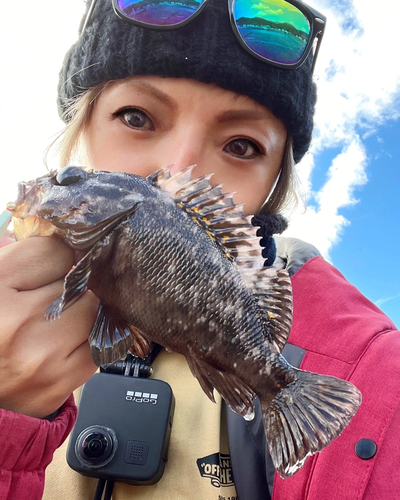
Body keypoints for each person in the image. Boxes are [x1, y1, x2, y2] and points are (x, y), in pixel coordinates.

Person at [0, 0, 399, 499]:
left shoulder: (379, 372)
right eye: (136, 116)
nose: (177, 165)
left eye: (241, 146)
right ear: (80, 128)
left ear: (277, 181)